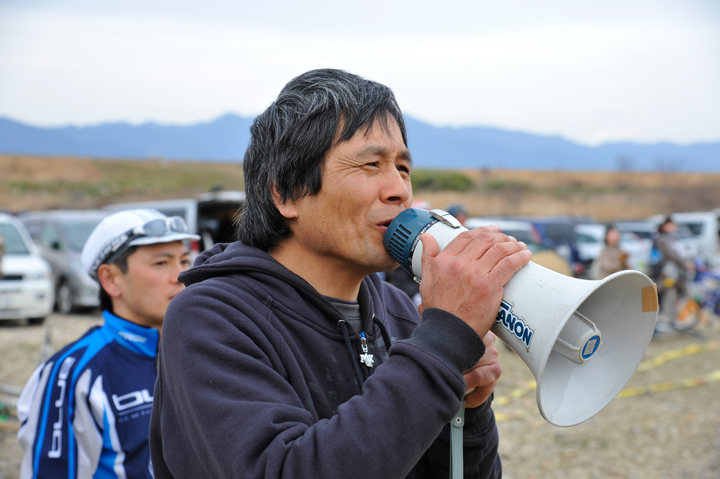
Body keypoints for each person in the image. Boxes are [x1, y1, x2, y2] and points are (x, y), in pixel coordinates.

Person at [149, 69, 531, 478]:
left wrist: (466, 413)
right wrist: (439, 347)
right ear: (287, 193)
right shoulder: (211, 317)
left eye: (403, 167)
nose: (400, 189)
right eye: (371, 164)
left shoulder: (399, 312)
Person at [16, 208, 199, 479]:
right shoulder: (72, 372)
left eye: (185, 261)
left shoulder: (203, 352)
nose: (180, 275)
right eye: (162, 263)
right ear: (110, 279)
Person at [652, 216, 693, 328]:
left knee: (677, 296)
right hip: (666, 274)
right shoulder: (661, 239)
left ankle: (675, 320)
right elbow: (671, 255)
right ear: (664, 225)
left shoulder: (673, 238)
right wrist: (684, 263)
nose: (673, 227)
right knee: (668, 295)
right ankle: (665, 322)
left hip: (678, 274)